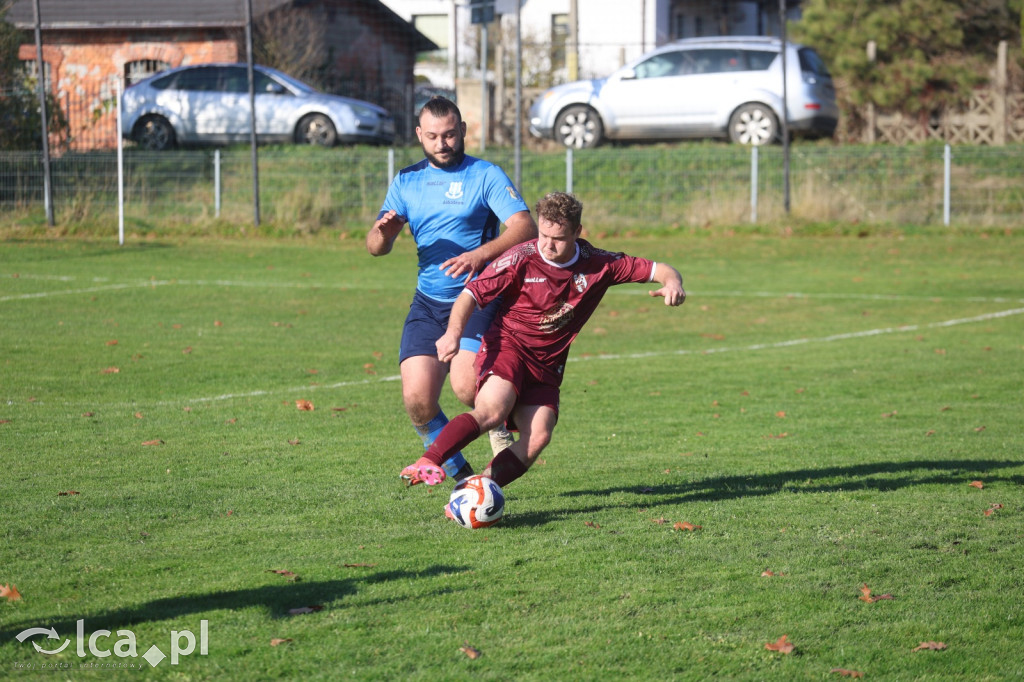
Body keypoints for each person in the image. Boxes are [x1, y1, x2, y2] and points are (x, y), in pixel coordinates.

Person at [398, 192, 686, 511]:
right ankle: (429, 460)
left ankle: (475, 492)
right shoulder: (520, 257)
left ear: (577, 232)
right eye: (543, 235)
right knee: (492, 410)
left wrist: (673, 283)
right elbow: (470, 295)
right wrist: (453, 333)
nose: (547, 245)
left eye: (558, 239)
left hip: (548, 365)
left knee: (538, 436)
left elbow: (660, 269)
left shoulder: (600, 263)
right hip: (509, 347)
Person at [368, 96, 538, 482]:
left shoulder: (485, 174)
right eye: (432, 136)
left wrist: (480, 255)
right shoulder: (406, 181)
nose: (442, 143)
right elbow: (375, 247)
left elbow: (524, 227)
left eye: (449, 135)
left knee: (466, 387)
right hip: (428, 303)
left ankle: (498, 420)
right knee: (417, 401)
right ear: (419, 135)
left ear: (462, 130)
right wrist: (384, 233)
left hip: (480, 298)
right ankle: (463, 479)